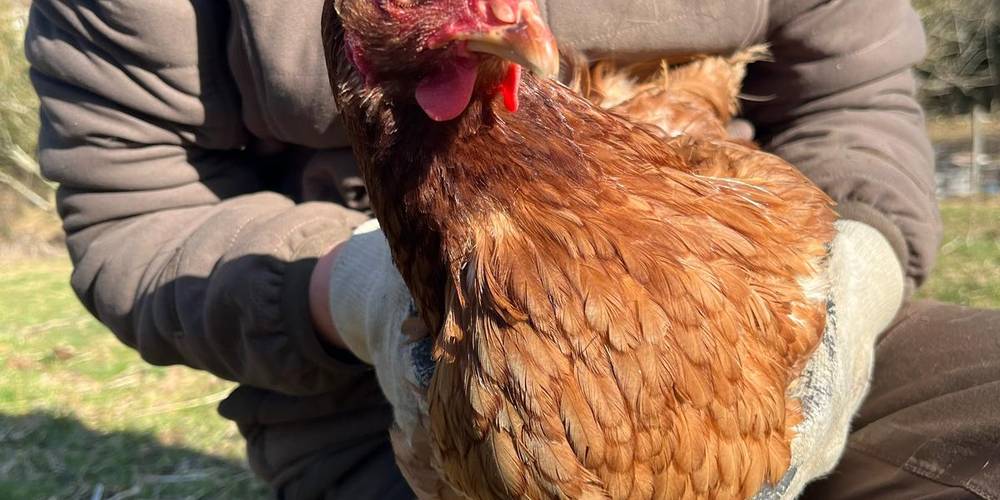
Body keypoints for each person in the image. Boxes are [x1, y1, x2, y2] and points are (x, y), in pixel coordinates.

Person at [25, 0, 999, 498]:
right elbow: (134, 205)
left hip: (760, 278)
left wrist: (851, 278)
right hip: (373, 376)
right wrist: (354, 289)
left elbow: (850, 100)